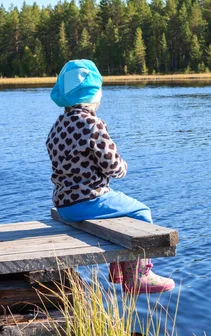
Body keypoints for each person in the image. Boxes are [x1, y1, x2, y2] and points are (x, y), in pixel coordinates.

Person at [46, 59, 175, 294]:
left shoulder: (58, 125)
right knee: (141, 212)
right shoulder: (92, 124)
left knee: (121, 209)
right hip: (89, 200)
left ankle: (119, 270)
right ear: (94, 96)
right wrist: (123, 167)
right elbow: (112, 166)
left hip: (63, 204)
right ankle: (137, 275)